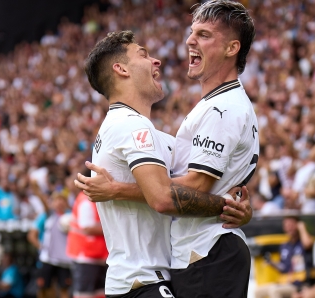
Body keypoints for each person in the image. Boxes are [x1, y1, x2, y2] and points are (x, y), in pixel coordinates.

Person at [77, 1, 258, 296]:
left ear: (231, 48)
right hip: (147, 277)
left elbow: (176, 190)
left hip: (187, 261)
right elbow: (163, 194)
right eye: (143, 54)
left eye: (204, 34)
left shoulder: (219, 110)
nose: (157, 60)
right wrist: (229, 207)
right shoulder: (134, 126)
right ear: (120, 68)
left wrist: (118, 189)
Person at [255, 217, 315, 298]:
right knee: (258, 291)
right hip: (285, 282)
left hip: (299, 284)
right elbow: (283, 268)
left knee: (275, 291)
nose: (289, 227)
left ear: (298, 225)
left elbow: (308, 244)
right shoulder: (284, 245)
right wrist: (271, 262)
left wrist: (302, 228)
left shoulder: (304, 241)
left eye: (291, 225)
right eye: (286, 225)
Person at [66, 191, 108, 298]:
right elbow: (87, 228)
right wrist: (113, 228)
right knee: (85, 294)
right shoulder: (86, 200)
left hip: (98, 256)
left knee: (100, 293)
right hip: (86, 257)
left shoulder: (95, 199)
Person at [31, 191, 72, 298]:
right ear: (52, 203)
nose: (60, 203)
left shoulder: (70, 217)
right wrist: (40, 247)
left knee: (64, 289)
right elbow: (31, 235)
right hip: (47, 259)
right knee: (44, 289)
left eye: (62, 200)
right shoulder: (47, 215)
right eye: (57, 200)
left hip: (65, 260)